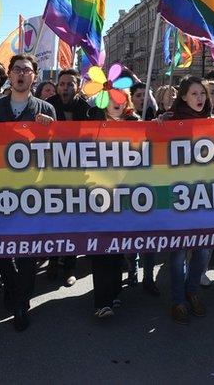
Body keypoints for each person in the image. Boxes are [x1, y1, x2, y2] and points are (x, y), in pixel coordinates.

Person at [0, 54, 56, 331]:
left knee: (28, 251)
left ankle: (22, 302)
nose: (21, 74)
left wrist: (50, 129)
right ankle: (11, 288)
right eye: (17, 70)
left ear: (35, 75)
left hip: (32, 190)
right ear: (9, 76)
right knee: (2, 247)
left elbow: (57, 151)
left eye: (27, 70)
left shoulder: (45, 109)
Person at [157, 75, 212, 325]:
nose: (199, 98)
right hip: (178, 199)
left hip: (207, 199)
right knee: (178, 255)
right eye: (194, 94)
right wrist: (156, 126)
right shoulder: (170, 121)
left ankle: (193, 291)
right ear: (183, 97)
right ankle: (178, 300)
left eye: (202, 93)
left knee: (202, 252)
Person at [45, 68, 100, 286]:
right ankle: (51, 260)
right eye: (62, 84)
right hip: (52, 172)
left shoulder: (87, 109)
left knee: (73, 223)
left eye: (70, 84)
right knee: (52, 221)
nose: (65, 88)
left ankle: (69, 266)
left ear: (77, 86)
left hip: (80, 175)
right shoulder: (48, 106)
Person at [91, 91, 139, 318]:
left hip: (126, 196)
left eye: (121, 99)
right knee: (101, 248)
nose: (116, 103)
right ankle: (102, 301)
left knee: (118, 248)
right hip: (98, 195)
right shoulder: (94, 125)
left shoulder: (136, 124)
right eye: (111, 99)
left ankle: (115, 292)